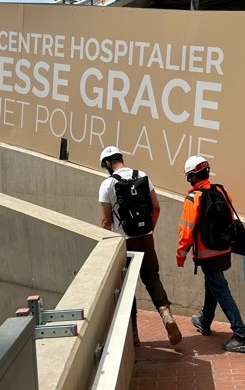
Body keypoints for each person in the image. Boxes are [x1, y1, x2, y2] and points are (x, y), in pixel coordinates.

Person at [98, 145, 182, 346]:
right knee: (152, 278)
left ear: (108, 163)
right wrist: (149, 229)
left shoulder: (107, 184)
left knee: (127, 287)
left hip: (125, 241)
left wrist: (106, 243)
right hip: (146, 238)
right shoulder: (142, 175)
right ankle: (167, 315)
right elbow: (156, 207)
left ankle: (134, 334)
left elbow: (106, 221)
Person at [176, 155, 245, 353]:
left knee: (221, 290)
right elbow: (230, 218)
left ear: (192, 177)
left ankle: (241, 336)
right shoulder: (221, 191)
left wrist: (180, 255)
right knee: (212, 284)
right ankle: (205, 320)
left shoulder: (193, 198)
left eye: (189, 177)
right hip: (224, 250)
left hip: (206, 254)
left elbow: (186, 231)